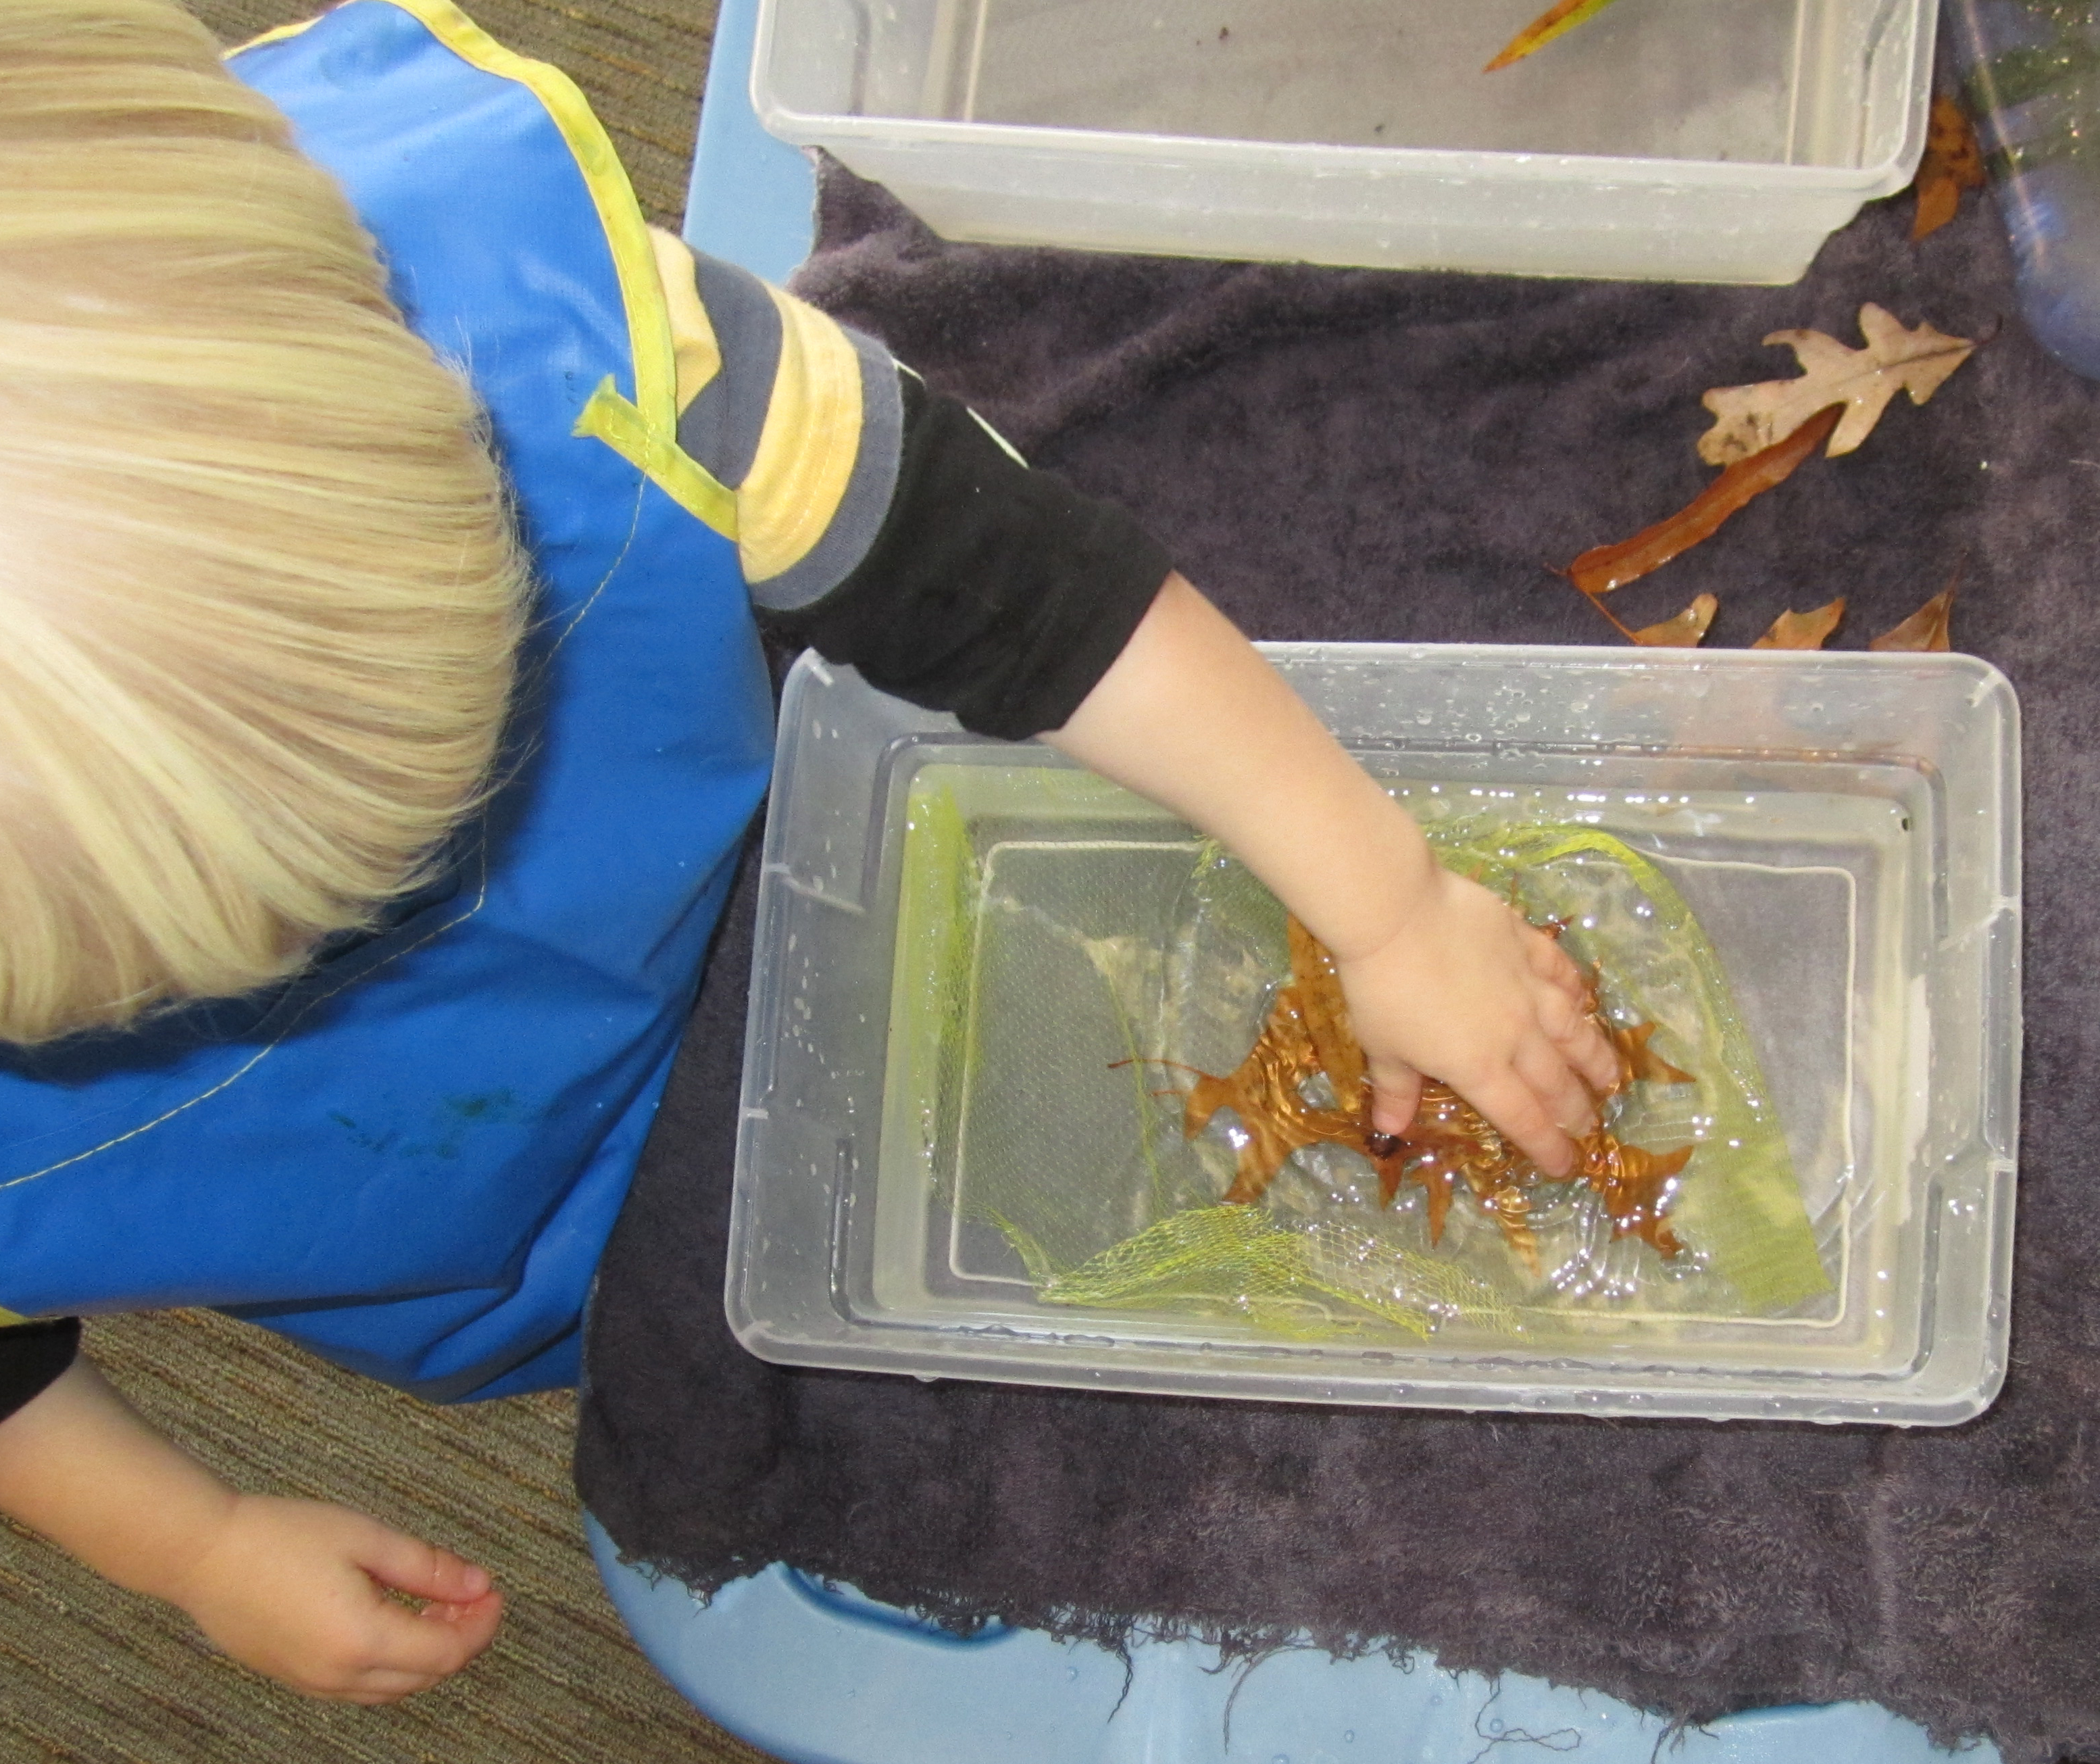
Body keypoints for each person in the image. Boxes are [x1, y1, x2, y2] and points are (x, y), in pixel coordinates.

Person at [0, 0, 1616, 1709]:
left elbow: (999, 573)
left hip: (715, 861)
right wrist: (183, 1541)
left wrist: (1390, 895)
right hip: (439, 1212)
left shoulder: (565, 331)